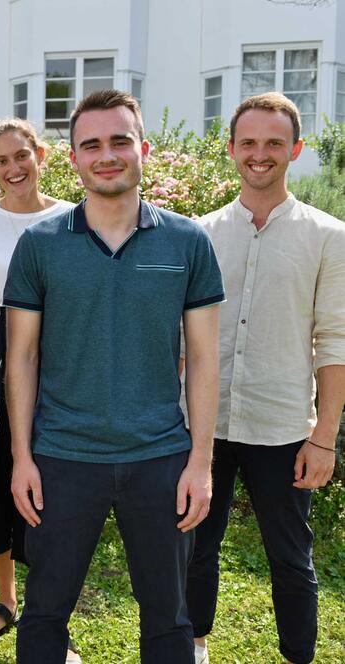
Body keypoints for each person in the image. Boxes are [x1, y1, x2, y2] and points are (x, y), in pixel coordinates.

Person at [5, 90, 224, 664]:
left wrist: (200, 462)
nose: (107, 155)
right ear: (72, 157)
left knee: (169, 617)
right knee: (45, 613)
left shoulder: (188, 242)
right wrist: (23, 457)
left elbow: (204, 358)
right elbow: (21, 358)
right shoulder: (40, 245)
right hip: (62, 456)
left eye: (120, 140)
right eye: (92, 144)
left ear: (144, 148)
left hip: (160, 458)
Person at [187, 92, 345, 664]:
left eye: (274, 142)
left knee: (289, 554)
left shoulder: (329, 236)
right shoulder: (198, 234)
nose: (260, 153)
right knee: (196, 547)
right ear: (230, 149)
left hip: (281, 426)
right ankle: (195, 648)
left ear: (295, 150)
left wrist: (323, 436)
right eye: (248, 142)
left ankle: (298, 657)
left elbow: (335, 341)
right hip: (201, 423)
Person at [0, 119, 78, 661]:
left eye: (21, 156)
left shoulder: (73, 220)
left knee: (53, 492)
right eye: (1, 160)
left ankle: (51, 615)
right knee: (1, 484)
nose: (13, 169)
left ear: (42, 156)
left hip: (57, 370)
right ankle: (6, 601)